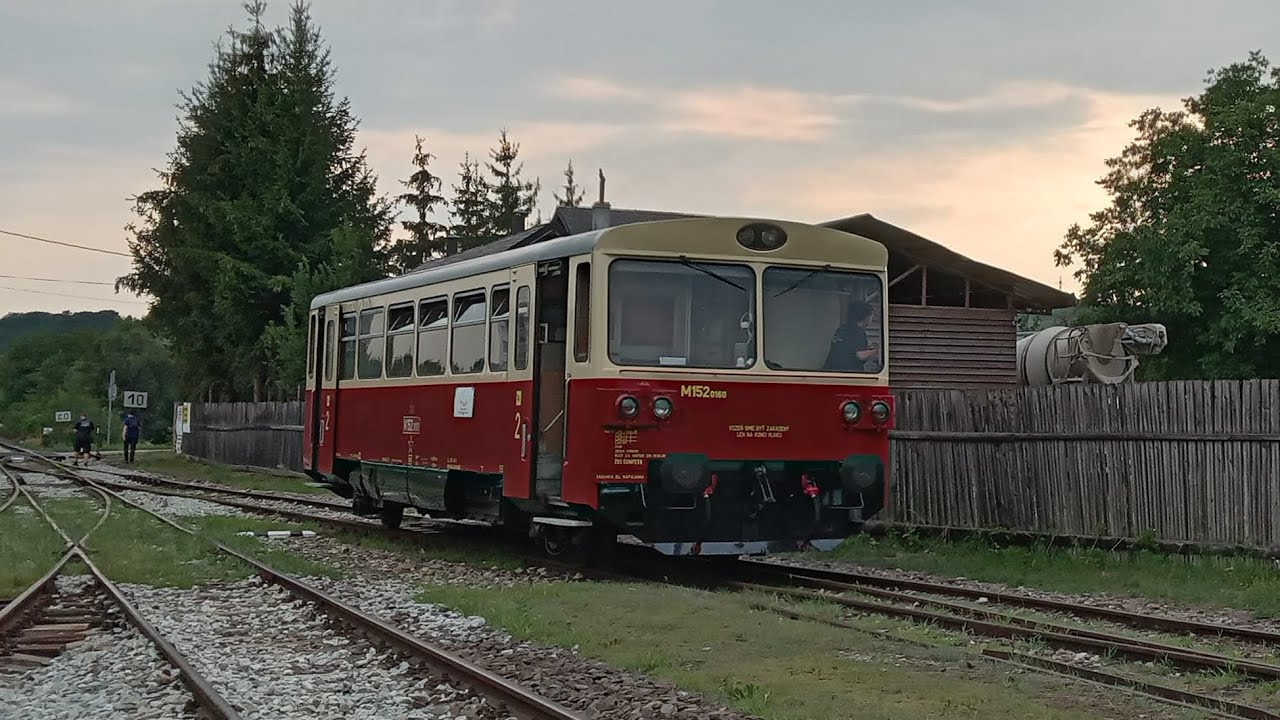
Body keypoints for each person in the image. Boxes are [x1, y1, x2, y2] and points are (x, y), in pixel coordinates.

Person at [823, 300, 880, 372]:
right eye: (871, 315)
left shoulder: (842, 328)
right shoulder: (858, 331)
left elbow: (848, 348)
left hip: (829, 371)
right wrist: (876, 351)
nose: (871, 319)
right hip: (847, 374)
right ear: (866, 316)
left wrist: (867, 348)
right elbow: (860, 355)